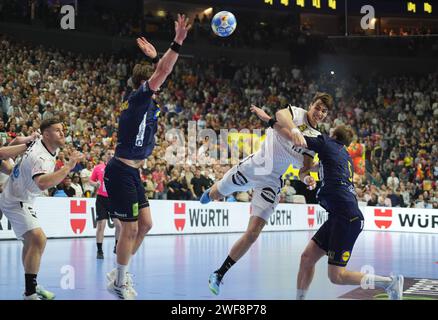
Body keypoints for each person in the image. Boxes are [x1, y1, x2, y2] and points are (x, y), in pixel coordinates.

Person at [202, 92, 333, 295]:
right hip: (254, 166)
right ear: (310, 105)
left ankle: (219, 274)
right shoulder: (296, 113)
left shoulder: (316, 139)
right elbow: (280, 115)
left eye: (324, 111)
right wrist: (294, 131)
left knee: (253, 233)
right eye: (318, 107)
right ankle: (208, 195)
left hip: (272, 181)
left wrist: (307, 178)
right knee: (214, 194)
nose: (320, 113)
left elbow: (304, 169)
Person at [104, 14, 191, 299]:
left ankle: (119, 270)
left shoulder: (147, 101)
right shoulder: (139, 97)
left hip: (132, 172)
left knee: (146, 225)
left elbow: (159, 73)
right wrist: (177, 41)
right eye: (155, 80)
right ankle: (119, 280)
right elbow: (162, 73)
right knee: (129, 230)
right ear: (146, 83)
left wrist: (155, 59)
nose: (161, 83)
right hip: (120, 170)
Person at [296, 125, 404, 300]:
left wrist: (273, 122)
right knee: (307, 257)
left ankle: (388, 282)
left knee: (336, 276)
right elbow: (316, 167)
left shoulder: (328, 145)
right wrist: (307, 173)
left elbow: (299, 139)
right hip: (337, 216)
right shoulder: (342, 154)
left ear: (332, 135)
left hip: (347, 218)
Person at [0, 118, 83, 300]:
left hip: (20, 195)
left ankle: (32, 285)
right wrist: (69, 166)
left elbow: (10, 149)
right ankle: (30, 293)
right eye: (57, 130)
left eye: (63, 129)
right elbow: (43, 183)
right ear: (46, 134)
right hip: (16, 200)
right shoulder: (41, 157)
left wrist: (24, 141)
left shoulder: (43, 144)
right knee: (38, 239)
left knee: (30, 243)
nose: (62, 133)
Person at [90, 149, 121, 259]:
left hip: (114, 199)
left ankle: (117, 247)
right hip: (101, 199)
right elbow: (90, 181)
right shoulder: (98, 168)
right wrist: (95, 184)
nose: (111, 155)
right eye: (109, 154)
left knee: (119, 225)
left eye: (113, 154)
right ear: (105, 156)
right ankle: (99, 250)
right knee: (101, 225)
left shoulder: (118, 168)